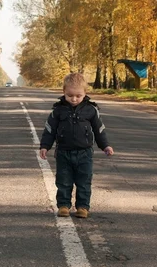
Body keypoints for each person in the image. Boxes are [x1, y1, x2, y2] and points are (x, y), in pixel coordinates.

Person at [39, 73, 114, 218]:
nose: (74, 99)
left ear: (85, 93)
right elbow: (49, 130)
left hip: (84, 153)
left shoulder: (91, 110)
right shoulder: (58, 110)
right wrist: (45, 146)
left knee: (84, 181)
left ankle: (82, 207)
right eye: (70, 95)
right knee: (63, 180)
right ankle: (63, 206)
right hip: (63, 152)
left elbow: (99, 130)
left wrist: (105, 146)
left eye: (78, 96)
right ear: (64, 92)